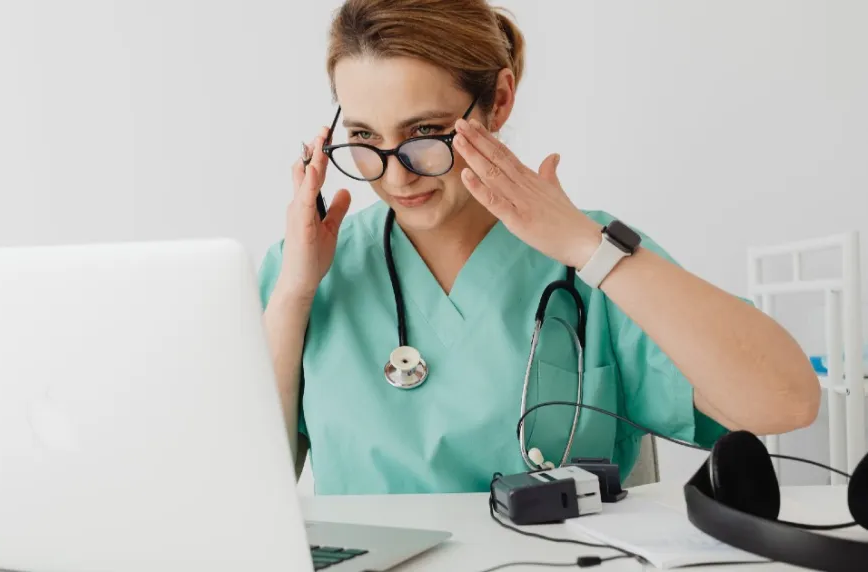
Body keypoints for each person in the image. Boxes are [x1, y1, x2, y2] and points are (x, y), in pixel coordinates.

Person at [258, 0, 820, 495]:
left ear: (498, 100)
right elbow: (243, 486)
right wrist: (293, 296)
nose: (397, 176)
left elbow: (786, 402)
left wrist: (589, 249)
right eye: (363, 138)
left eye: (425, 132)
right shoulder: (309, 265)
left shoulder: (595, 257)